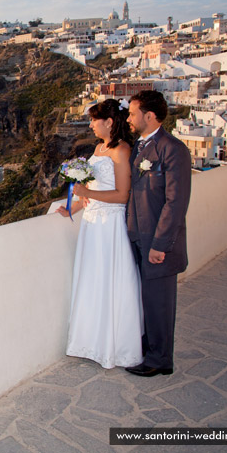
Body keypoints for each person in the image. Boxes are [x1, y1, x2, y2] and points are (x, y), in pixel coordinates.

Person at [57, 98, 143, 369]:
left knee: (109, 280)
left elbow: (122, 195)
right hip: (93, 223)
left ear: (109, 122)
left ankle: (112, 345)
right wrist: (78, 204)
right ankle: (91, 341)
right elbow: (95, 186)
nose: (91, 124)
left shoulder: (122, 150)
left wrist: (87, 193)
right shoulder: (98, 147)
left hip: (110, 226)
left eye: (95, 119)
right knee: (93, 280)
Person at [124, 90, 191, 377]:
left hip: (156, 241)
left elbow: (175, 203)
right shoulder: (138, 147)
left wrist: (160, 244)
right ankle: (149, 350)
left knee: (159, 302)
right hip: (137, 236)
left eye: (132, 113)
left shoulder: (172, 149)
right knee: (145, 300)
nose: (128, 119)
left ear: (149, 116)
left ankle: (159, 360)